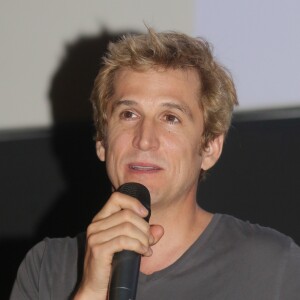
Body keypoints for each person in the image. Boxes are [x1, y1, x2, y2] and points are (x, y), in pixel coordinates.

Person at [10, 28, 300, 300]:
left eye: (170, 118)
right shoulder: (46, 268)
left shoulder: (274, 267)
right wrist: (88, 292)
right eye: (128, 115)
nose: (145, 140)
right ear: (102, 141)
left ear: (210, 147)